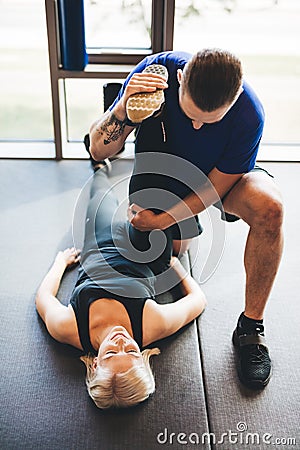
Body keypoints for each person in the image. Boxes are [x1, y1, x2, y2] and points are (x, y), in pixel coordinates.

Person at [87, 48, 284, 390]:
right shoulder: (154, 75)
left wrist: (164, 219)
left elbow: (213, 188)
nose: (196, 125)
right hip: (160, 175)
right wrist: (122, 110)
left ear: (235, 98)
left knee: (271, 209)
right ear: (180, 81)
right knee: (164, 253)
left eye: (209, 121)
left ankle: (251, 329)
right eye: (191, 114)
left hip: (217, 179)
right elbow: (98, 150)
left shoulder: (248, 112)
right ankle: (181, 232)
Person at [35, 162, 206, 409]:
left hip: (100, 241)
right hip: (146, 250)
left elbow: (43, 298)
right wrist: (177, 268)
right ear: (144, 359)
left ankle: (100, 164)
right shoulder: (151, 325)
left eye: (111, 354)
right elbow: (198, 301)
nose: (121, 342)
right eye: (133, 352)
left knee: (99, 189)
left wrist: (60, 263)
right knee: (159, 194)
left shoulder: (69, 329)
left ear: (94, 364)